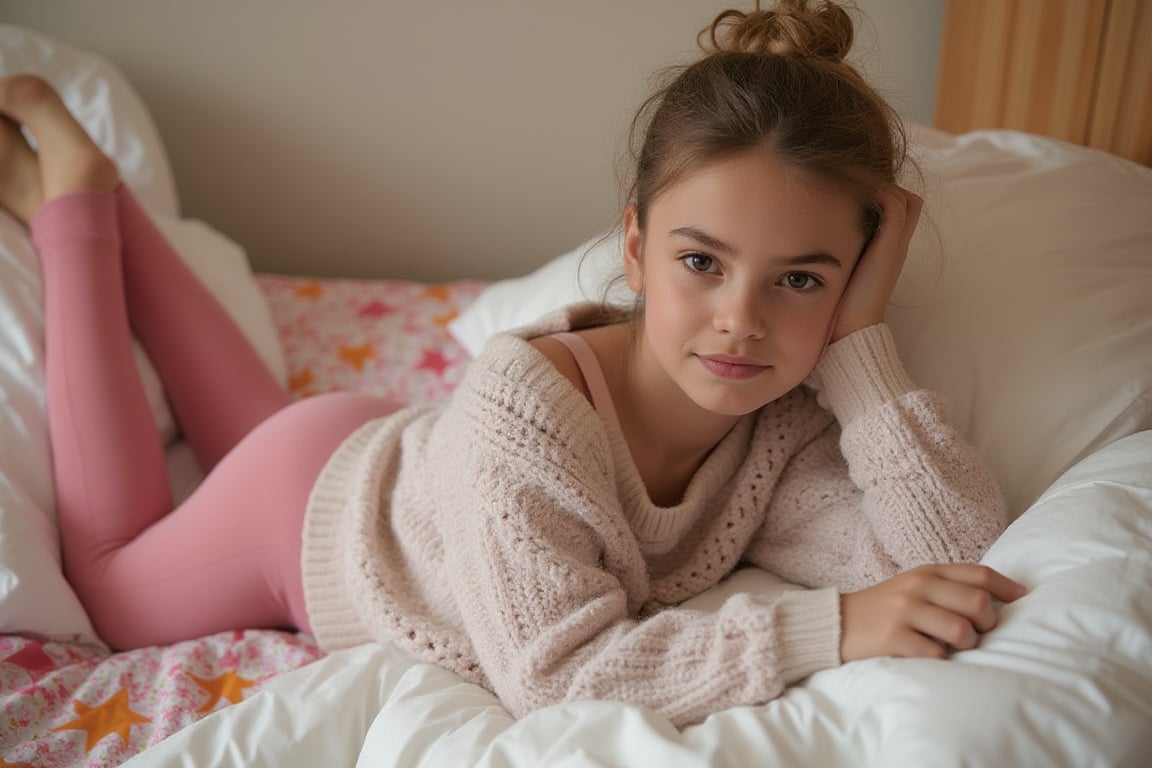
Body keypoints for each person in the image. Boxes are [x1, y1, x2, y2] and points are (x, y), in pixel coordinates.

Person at [0, 0, 1025, 728]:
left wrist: (859, 347)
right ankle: (75, 203)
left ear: (851, 281)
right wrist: (827, 632)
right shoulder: (528, 413)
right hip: (312, 516)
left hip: (384, 449)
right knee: (105, 589)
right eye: (701, 262)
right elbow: (561, 677)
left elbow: (955, 557)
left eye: (801, 281)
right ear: (633, 246)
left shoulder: (785, 420)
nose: (740, 322)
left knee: (260, 425)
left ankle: (105, 203)